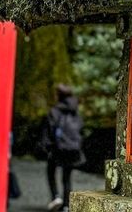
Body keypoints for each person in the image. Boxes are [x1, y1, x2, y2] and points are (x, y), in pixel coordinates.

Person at [41, 84, 84, 212]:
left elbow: (49, 130)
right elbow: (80, 128)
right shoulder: (75, 110)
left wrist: (46, 147)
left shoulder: (55, 111)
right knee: (67, 177)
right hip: (72, 148)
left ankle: (56, 197)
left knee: (50, 170)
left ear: (58, 95)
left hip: (57, 148)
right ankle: (66, 205)